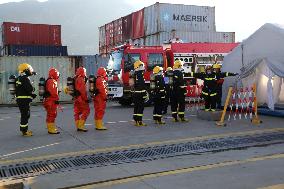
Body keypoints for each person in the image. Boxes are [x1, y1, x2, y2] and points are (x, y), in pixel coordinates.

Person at [15, 63, 37, 136]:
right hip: (24, 101)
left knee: (24, 115)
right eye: (29, 69)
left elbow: (22, 90)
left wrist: (31, 95)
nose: (30, 71)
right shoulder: (25, 78)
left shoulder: (19, 78)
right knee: (25, 115)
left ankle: (23, 130)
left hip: (20, 100)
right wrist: (33, 89)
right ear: (26, 70)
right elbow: (29, 89)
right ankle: (25, 132)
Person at [44, 68, 60, 134]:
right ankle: (51, 129)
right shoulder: (52, 81)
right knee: (52, 114)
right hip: (51, 101)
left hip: (48, 100)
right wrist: (56, 99)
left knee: (50, 114)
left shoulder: (49, 80)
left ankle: (51, 127)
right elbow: (53, 92)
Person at [74, 67, 90, 132]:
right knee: (86, 111)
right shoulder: (81, 79)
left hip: (76, 98)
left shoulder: (76, 78)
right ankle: (80, 126)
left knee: (77, 112)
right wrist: (85, 99)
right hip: (81, 98)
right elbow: (82, 91)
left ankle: (78, 125)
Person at [132, 60, 147, 126]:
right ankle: (139, 121)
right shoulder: (140, 74)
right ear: (138, 66)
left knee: (136, 107)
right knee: (140, 107)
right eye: (141, 66)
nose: (143, 67)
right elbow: (141, 85)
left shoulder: (135, 74)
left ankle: (136, 121)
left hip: (135, 93)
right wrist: (144, 94)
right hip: (140, 94)